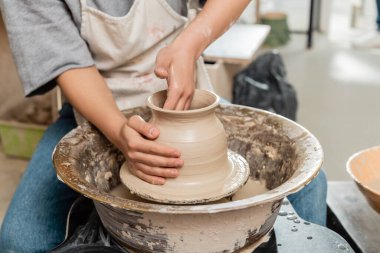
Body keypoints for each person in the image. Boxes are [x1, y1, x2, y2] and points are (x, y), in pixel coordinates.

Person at [0, 1, 327, 252]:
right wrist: (118, 131)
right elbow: (64, 61)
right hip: (94, 112)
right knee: (22, 239)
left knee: (310, 184)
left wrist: (191, 42)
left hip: (188, 99)